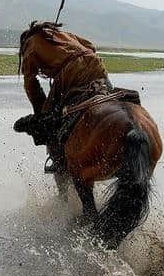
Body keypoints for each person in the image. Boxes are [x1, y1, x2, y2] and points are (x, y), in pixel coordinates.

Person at [15, 21, 111, 173]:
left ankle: (58, 160)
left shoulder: (29, 45)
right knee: (109, 98)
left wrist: (41, 110)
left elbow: (30, 84)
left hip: (71, 72)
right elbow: (91, 46)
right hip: (96, 66)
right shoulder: (63, 35)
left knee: (51, 121)